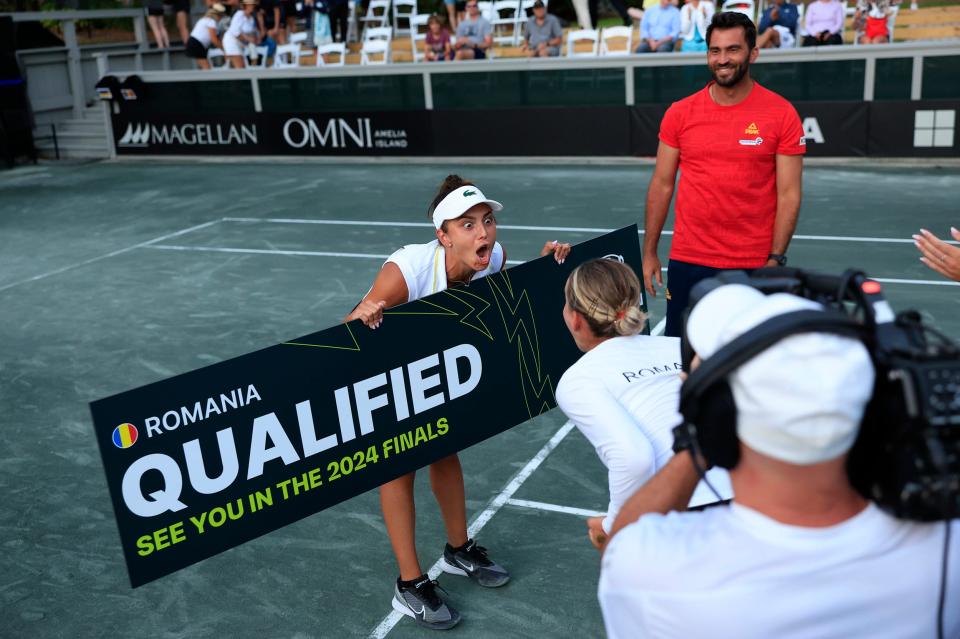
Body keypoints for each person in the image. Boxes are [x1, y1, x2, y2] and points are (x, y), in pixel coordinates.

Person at [599, 283, 960, 638]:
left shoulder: (651, 573)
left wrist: (695, 439)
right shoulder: (948, 547)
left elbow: (622, 541)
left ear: (715, 423)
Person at [345, 175, 572, 630]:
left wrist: (546, 267)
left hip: (438, 369)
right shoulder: (408, 270)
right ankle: (410, 584)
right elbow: (351, 330)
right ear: (443, 236)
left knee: (446, 447)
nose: (483, 232)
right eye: (466, 225)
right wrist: (364, 312)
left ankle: (457, 550)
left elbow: (514, 296)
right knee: (399, 465)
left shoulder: (493, 259)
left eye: (486, 221)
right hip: (389, 370)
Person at [642, 11, 805, 337]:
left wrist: (775, 259)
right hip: (689, 260)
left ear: (753, 53)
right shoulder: (680, 113)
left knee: (747, 359)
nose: (723, 59)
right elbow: (661, 186)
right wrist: (649, 252)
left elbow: (790, 194)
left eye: (733, 49)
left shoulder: (782, 113)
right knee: (683, 358)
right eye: (715, 51)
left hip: (754, 264)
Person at [556, 258, 731, 549]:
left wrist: (614, 527)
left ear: (576, 318)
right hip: (752, 496)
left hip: (684, 514)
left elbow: (633, 459)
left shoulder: (577, 380)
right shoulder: (677, 345)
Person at [185, 4, 226, 69]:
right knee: (206, 67)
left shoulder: (205, 20)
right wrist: (224, 49)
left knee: (204, 67)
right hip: (197, 44)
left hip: (195, 43)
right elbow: (214, 40)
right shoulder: (211, 21)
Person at [224, 0, 260, 68]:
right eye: (250, 5)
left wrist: (252, 39)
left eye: (253, 5)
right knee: (240, 67)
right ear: (245, 6)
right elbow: (235, 31)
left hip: (241, 44)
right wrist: (248, 39)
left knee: (242, 67)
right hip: (232, 41)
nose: (252, 6)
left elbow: (252, 33)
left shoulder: (251, 18)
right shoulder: (240, 14)